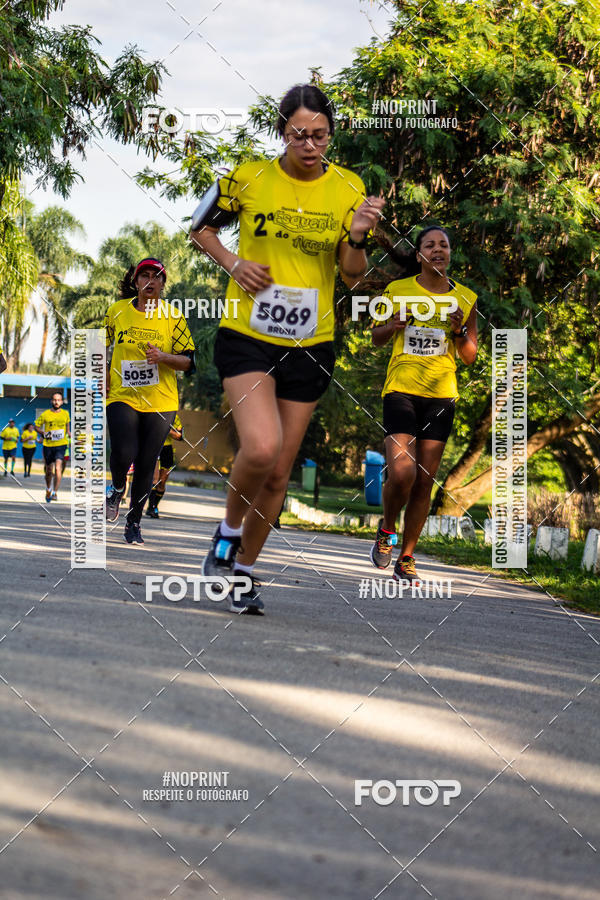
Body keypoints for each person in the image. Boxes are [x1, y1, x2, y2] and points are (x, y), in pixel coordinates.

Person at [190, 83, 384, 614]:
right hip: (248, 332)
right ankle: (226, 540)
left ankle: (243, 574)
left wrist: (360, 234)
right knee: (259, 447)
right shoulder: (248, 176)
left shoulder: (348, 187)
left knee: (279, 472)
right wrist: (233, 263)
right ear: (282, 132)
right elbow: (198, 227)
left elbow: (351, 274)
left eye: (320, 135)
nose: (310, 144)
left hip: (312, 342)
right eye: (299, 133)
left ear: (330, 136)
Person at [369, 225, 478, 582]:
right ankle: (387, 530)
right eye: (429, 245)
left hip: (441, 395)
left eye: (443, 245)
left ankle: (407, 557)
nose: (437, 250)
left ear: (450, 253)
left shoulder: (465, 297)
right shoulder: (397, 290)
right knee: (403, 471)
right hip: (401, 389)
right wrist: (394, 325)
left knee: (424, 481)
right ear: (419, 256)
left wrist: (460, 331)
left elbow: (469, 356)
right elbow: (376, 336)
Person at [104, 258, 195, 545]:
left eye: (156, 277)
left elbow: (190, 362)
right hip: (123, 394)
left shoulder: (173, 316)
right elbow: (104, 347)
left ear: (163, 284)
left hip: (160, 400)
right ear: (136, 281)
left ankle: (134, 523)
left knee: (146, 464)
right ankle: (117, 487)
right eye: (144, 275)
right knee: (123, 451)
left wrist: (163, 357)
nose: (150, 281)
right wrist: (103, 377)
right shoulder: (116, 312)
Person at [146, 413, 184, 518]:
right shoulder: (153, 412)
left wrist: (166, 429)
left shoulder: (174, 416)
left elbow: (180, 436)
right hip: (154, 447)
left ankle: (155, 505)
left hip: (167, 450)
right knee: (155, 479)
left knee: (162, 482)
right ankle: (151, 507)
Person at [35, 393, 70, 501]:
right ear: (51, 401)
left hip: (61, 444)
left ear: (62, 402)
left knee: (58, 468)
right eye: (54, 400)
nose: (56, 402)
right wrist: (43, 433)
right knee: (49, 470)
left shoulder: (65, 413)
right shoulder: (46, 414)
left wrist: (69, 432)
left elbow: (67, 426)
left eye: (59, 400)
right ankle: (48, 488)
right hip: (48, 445)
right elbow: (37, 426)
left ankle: (55, 492)